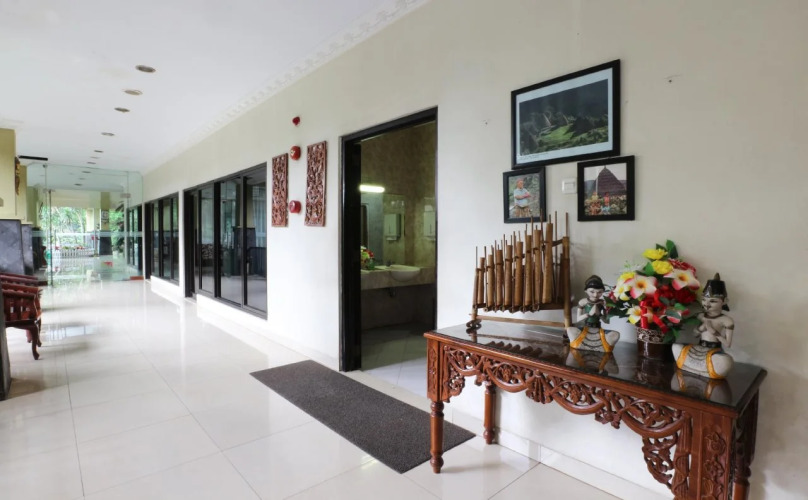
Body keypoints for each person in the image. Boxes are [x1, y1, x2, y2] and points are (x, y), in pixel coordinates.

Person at [672, 273, 735, 379]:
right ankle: (698, 369)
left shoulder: (726, 320)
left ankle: (698, 368)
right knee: (676, 347)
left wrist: (713, 332)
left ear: (724, 301)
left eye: (713, 301)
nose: (707, 304)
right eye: (704, 299)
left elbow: (727, 343)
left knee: (726, 361)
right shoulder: (701, 316)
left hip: (714, 350)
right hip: (699, 347)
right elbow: (695, 335)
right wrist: (701, 329)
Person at [566, 275, 620, 352]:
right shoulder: (583, 302)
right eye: (592, 292)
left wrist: (600, 314)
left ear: (603, 291)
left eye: (599, 292)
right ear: (586, 291)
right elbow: (578, 319)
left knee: (615, 334)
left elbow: (606, 321)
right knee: (569, 330)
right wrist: (588, 314)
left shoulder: (603, 303)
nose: (595, 295)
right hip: (586, 328)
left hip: (598, 329)